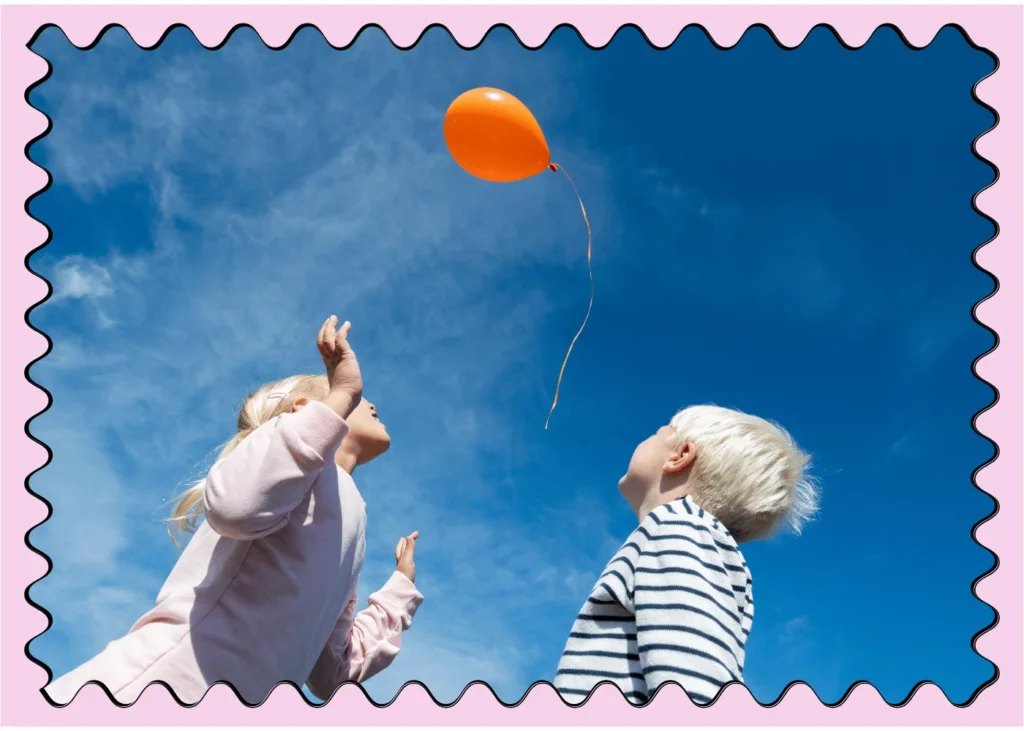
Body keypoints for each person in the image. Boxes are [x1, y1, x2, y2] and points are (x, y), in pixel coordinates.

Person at [45, 317, 423, 705]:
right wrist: (343, 391)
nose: (370, 401)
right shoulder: (277, 458)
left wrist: (400, 588)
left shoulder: (352, 515)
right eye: (356, 399)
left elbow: (333, 673)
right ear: (306, 410)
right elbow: (236, 507)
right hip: (150, 691)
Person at [554, 405, 818, 706]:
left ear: (679, 456)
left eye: (658, 433)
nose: (648, 437)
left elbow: (692, 685)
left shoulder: (681, 528)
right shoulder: (679, 535)